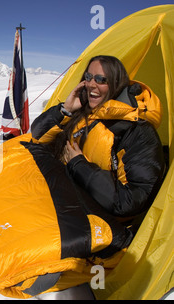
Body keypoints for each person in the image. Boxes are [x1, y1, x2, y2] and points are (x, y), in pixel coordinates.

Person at [31, 55, 165, 221]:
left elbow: (129, 202)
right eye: (88, 77)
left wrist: (79, 165)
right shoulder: (85, 113)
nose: (91, 84)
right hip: (65, 200)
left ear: (116, 83)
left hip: (100, 224)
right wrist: (65, 110)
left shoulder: (137, 131)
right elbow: (37, 136)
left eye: (101, 79)